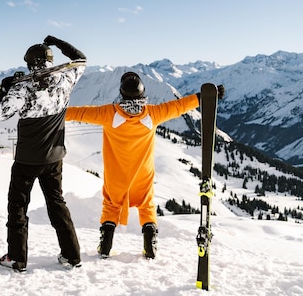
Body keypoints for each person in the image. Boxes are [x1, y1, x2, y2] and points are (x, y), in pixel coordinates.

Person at [66, 72, 224, 259]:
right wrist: (203, 97)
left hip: (116, 176)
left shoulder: (107, 114)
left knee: (111, 204)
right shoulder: (153, 114)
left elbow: (75, 113)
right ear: (143, 94)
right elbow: (179, 106)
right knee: (146, 205)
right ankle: (150, 244)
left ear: (121, 94)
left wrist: (48, 109)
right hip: (143, 174)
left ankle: (105, 244)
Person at [0, 35, 86, 273]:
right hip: (54, 158)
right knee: (57, 203)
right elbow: (80, 59)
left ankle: (17, 258)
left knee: (18, 206)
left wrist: (5, 89)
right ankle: (72, 255)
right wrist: (57, 41)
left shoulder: (22, 88)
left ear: (30, 63)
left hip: (26, 160)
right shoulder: (66, 78)